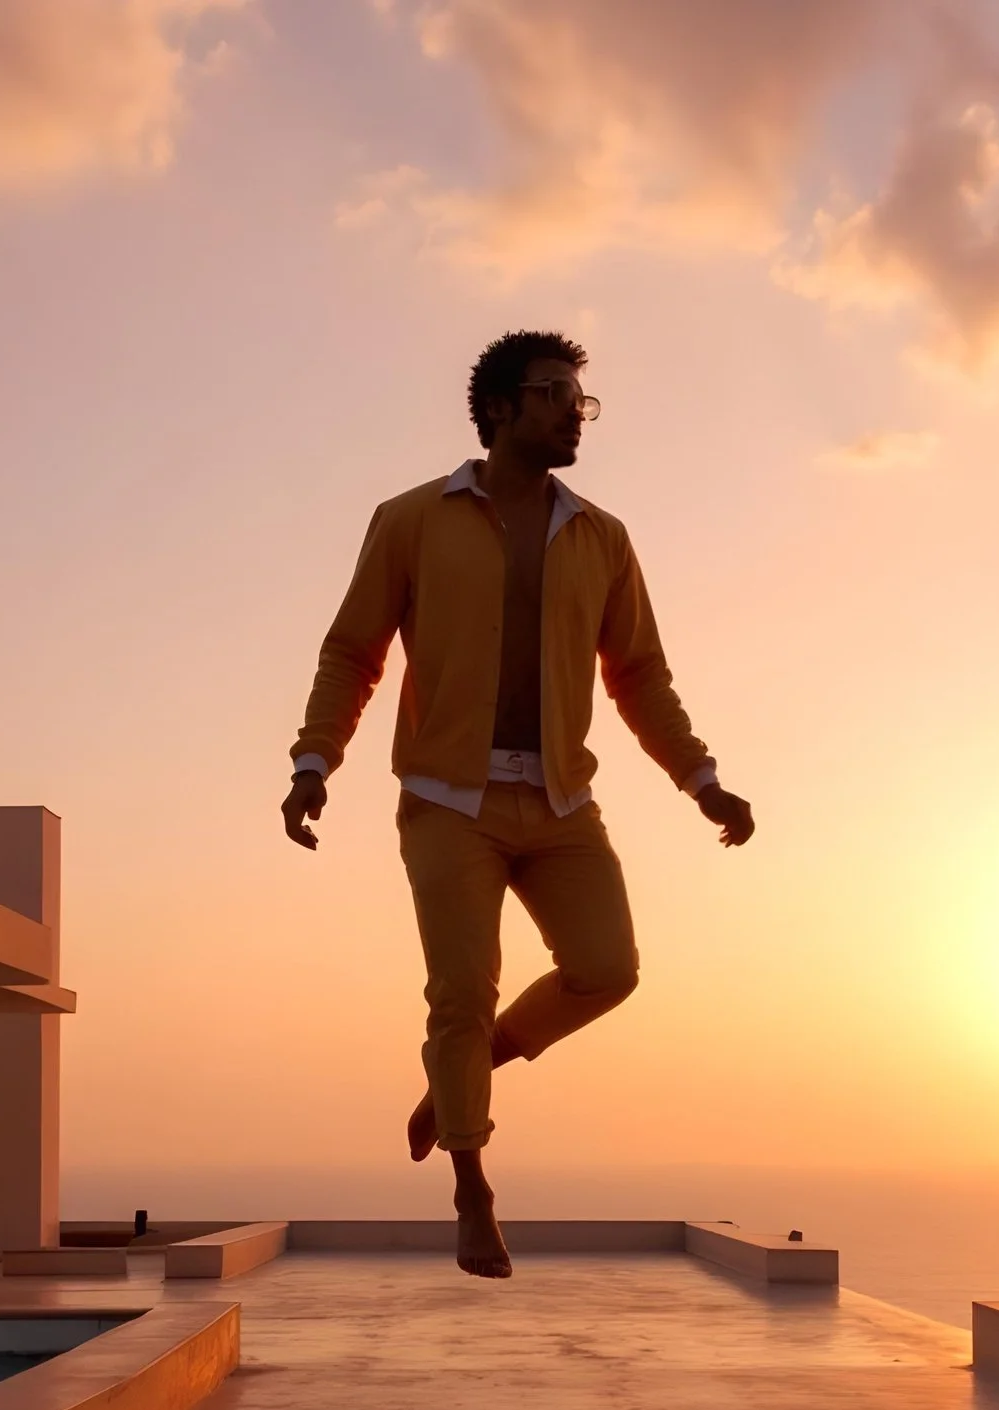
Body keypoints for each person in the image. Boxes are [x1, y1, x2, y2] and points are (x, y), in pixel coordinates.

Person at [282, 330, 754, 1278]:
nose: (574, 412)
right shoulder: (411, 519)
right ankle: (473, 1191)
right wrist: (313, 761)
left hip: (562, 800)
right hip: (446, 801)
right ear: (499, 409)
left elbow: (639, 676)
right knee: (462, 992)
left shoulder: (602, 538)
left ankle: (460, 1082)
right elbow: (354, 652)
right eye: (554, 394)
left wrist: (701, 779)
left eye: (582, 398)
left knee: (607, 967)